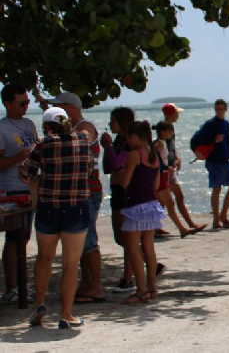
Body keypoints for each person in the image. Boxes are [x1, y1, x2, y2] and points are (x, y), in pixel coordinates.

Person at [22, 107, 91, 329]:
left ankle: (40, 303)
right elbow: (90, 169)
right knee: (71, 265)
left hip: (48, 208)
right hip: (76, 208)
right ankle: (66, 314)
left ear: (47, 126)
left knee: (44, 258)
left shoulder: (43, 145)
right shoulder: (83, 141)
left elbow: (26, 173)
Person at [41, 92, 105, 303]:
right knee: (82, 240)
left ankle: (94, 286)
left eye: (60, 108)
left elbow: (79, 139)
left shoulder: (85, 127)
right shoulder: (71, 129)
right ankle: (88, 285)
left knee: (88, 239)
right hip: (78, 191)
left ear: (70, 108)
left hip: (88, 190)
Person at [120, 121, 166, 304]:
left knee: (133, 249)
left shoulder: (134, 155)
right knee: (149, 247)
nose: (128, 141)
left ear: (137, 137)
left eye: (129, 137)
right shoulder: (154, 155)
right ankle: (152, 288)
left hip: (136, 205)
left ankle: (141, 290)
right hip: (151, 204)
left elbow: (125, 182)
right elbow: (156, 184)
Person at [0, 84, 38, 303]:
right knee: (13, 238)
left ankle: (20, 285)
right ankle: (12, 287)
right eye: (21, 103)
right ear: (7, 104)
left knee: (23, 238)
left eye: (27, 102)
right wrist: (19, 156)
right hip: (10, 189)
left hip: (28, 188)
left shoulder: (29, 124)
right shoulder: (2, 128)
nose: (26, 107)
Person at [101, 107, 135, 291]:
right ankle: (139, 267)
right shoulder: (119, 141)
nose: (110, 124)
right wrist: (107, 148)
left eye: (112, 121)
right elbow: (108, 167)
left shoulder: (128, 143)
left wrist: (107, 147)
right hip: (117, 189)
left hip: (125, 191)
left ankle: (128, 276)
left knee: (125, 237)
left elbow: (117, 164)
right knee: (120, 237)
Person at [161, 103, 206, 233]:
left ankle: (156, 226)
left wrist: (177, 158)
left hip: (170, 167)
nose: (178, 116)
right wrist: (171, 162)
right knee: (176, 197)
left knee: (164, 199)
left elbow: (171, 148)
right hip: (167, 169)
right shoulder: (165, 128)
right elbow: (165, 148)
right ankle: (190, 224)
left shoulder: (170, 127)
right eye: (176, 113)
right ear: (170, 114)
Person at [198, 99, 229, 229]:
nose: (219, 111)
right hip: (214, 161)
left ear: (226, 109)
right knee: (217, 189)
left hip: (226, 160)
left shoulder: (226, 124)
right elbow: (200, 140)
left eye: (222, 109)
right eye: (217, 109)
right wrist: (213, 140)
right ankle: (216, 220)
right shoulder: (210, 124)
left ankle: (223, 215)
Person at [152, 121, 200, 238]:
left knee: (166, 203)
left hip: (163, 175)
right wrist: (165, 167)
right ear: (163, 132)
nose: (172, 133)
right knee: (168, 203)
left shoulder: (162, 143)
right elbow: (154, 158)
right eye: (170, 130)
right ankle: (181, 229)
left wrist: (169, 166)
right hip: (161, 175)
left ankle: (176, 229)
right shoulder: (159, 144)